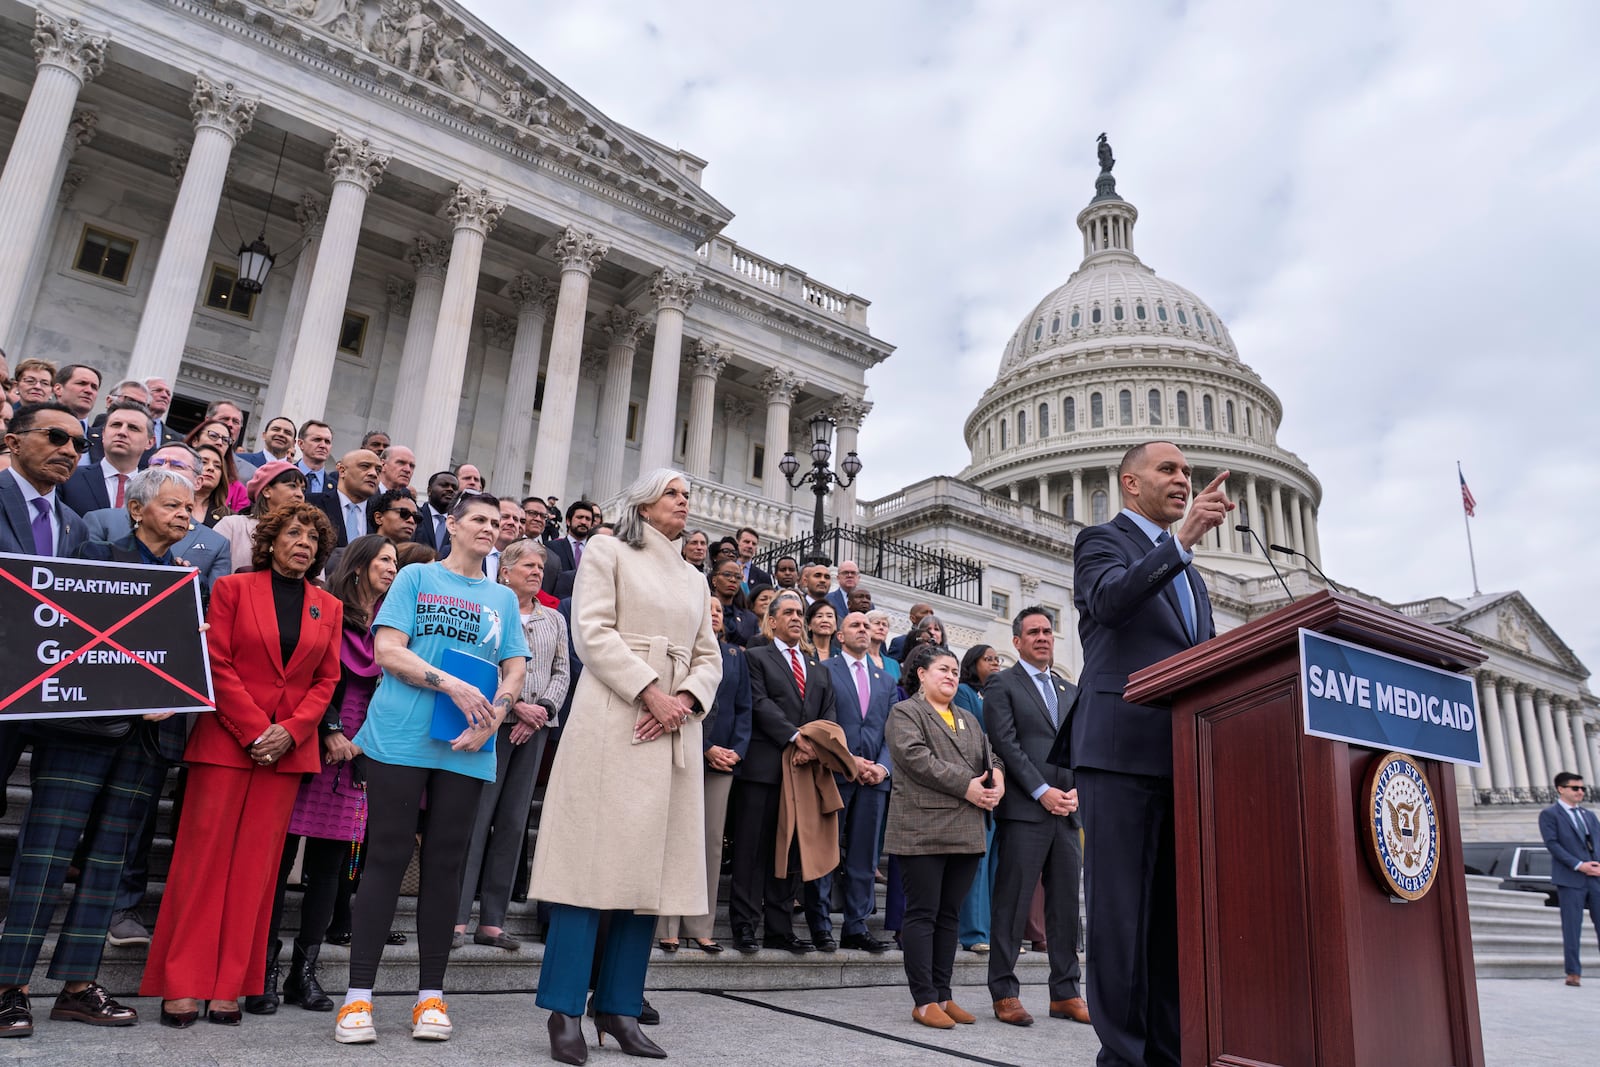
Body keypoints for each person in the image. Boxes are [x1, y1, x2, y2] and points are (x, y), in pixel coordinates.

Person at [528, 469, 721, 1064]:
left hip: (671, 732)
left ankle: (619, 1008)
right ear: (643, 502)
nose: (683, 502)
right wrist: (649, 692)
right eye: (672, 493)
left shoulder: (694, 576)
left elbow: (709, 654)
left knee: (648, 877)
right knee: (588, 869)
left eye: (688, 495)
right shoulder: (608, 550)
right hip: (615, 719)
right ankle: (564, 1011)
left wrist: (685, 699)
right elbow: (591, 632)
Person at [0, 467, 196, 1038]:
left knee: (108, 864)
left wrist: (173, 693)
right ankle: (9, 987)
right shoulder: (94, 555)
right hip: (81, 731)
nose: (186, 514)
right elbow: (62, 636)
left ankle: (78, 987)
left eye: (190, 508)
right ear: (137, 509)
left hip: (146, 742)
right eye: (173, 505)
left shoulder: (185, 577)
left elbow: (183, 657)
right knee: (44, 857)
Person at [334, 491, 528, 1045]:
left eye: (497, 522)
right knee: (387, 859)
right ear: (454, 524)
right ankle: (358, 999)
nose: (491, 528)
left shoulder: (502, 597)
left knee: (447, 866)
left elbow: (514, 667)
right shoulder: (416, 578)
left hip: (468, 742)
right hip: (401, 734)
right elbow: (389, 651)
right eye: (480, 520)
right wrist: (452, 683)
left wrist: (501, 710)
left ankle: (430, 998)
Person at [141, 502, 344, 1028]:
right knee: (202, 865)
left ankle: (230, 986)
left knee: (256, 873)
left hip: (286, 755)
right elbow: (217, 661)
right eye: (293, 533)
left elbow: (326, 679)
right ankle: (183, 984)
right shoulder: (232, 588)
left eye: (312, 538)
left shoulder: (328, 605)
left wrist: (292, 731)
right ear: (271, 540)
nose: (303, 543)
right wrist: (257, 730)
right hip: (227, 746)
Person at [1069, 440, 1227, 1067]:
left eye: (1188, 471)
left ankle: (1169, 1054)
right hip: (1119, 752)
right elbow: (1109, 602)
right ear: (1130, 485)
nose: (1183, 480)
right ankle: (1123, 1059)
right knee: (1121, 919)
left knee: (1171, 924)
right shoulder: (1101, 541)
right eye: (1169, 469)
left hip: (1182, 758)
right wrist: (1182, 540)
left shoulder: (1192, 577)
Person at [253, 535, 398, 1015]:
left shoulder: (392, 625)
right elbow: (315, 673)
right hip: (314, 740)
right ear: (358, 566)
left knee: (331, 868)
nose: (392, 569)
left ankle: (304, 973)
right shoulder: (326, 609)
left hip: (363, 753)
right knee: (280, 860)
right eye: (384, 560)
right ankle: (264, 971)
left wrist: (367, 747)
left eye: (396, 562)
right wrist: (331, 730)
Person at [455, 539, 570, 950]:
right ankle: (456, 919)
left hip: (534, 730)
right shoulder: (491, 608)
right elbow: (480, 663)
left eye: (541, 566)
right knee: (476, 818)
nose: (537, 572)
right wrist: (515, 707)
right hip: (491, 722)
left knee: (512, 823)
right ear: (505, 570)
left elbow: (562, 672)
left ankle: (493, 922)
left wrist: (540, 710)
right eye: (528, 565)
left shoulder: (555, 620)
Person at [884, 644, 1005, 1030]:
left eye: (955, 670)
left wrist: (998, 776)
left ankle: (943, 993)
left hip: (966, 828)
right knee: (922, 915)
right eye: (942, 669)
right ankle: (923, 1000)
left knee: (949, 916)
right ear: (921, 674)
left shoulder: (968, 717)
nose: (951, 675)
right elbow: (916, 759)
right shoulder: (905, 712)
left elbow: (991, 755)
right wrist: (967, 787)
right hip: (922, 828)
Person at [984, 608, 1085, 1026]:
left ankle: (1065, 992)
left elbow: (1082, 744)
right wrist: (1042, 792)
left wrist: (1078, 789)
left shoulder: (1070, 689)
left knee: (1064, 908)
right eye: (1034, 632)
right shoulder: (1002, 684)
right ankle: (1004, 992)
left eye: (1047, 631)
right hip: (1026, 811)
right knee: (1012, 904)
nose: (1043, 637)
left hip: (1067, 813)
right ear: (1018, 641)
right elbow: (1005, 745)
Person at [729, 589, 838, 956]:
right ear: (771, 620)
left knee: (790, 852)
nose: (795, 618)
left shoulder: (819, 670)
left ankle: (779, 929)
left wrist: (816, 746)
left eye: (799, 613)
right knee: (751, 850)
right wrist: (795, 737)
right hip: (763, 770)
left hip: (803, 773)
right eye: (788, 612)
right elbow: (757, 703)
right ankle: (744, 926)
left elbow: (828, 716)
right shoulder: (756, 657)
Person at [656, 597, 751, 954]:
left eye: (718, 610)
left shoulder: (735, 656)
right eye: (706, 607)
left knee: (711, 843)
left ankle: (702, 926)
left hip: (723, 762)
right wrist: (706, 746)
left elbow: (744, 708)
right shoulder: (681, 649)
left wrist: (736, 750)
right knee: (675, 835)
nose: (713, 613)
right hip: (684, 751)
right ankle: (667, 926)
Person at [814, 612, 896, 953]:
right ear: (840, 636)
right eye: (855, 626)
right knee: (826, 851)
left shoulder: (886, 680)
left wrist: (882, 767)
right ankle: (820, 926)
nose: (863, 630)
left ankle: (856, 926)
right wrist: (850, 761)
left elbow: (893, 732)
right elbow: (820, 721)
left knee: (864, 856)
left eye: (867, 625)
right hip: (835, 774)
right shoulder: (824, 671)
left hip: (873, 781)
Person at [1539, 771, 1600, 987]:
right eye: (1575, 788)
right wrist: (1579, 865)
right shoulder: (1550, 815)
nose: (1580, 792)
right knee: (1572, 927)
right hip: (1570, 878)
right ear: (1561, 789)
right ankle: (1573, 972)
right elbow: (1553, 844)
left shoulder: (1589, 815)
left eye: (1582, 788)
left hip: (1596, 878)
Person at [58, 399, 152, 515]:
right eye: (116, 425)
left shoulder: (154, 490)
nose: (122, 432)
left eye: (133, 428)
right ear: (103, 434)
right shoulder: (68, 478)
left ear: (150, 442)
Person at [212, 461, 308, 573]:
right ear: (267, 491)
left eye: (303, 489)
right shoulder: (232, 526)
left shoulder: (307, 535)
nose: (300, 494)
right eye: (292, 486)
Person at [310, 448, 382, 547]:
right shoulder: (312, 504)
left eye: (378, 470)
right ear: (342, 471)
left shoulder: (380, 517)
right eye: (365, 466)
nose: (374, 474)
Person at [185, 420, 249, 513]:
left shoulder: (238, 490)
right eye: (213, 436)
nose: (219, 442)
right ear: (195, 440)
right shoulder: (172, 470)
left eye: (225, 440)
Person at [710, 557, 759, 646]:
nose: (733, 580)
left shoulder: (750, 619)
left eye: (738, 577)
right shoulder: (703, 611)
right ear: (714, 580)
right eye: (727, 574)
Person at [414, 470, 459, 554]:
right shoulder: (415, 517)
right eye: (444, 485)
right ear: (429, 491)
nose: (450, 489)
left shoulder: (458, 525)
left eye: (454, 488)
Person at [295, 420, 336, 495]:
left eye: (327, 441)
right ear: (301, 444)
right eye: (317, 440)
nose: (323, 445)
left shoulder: (336, 487)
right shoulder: (283, 475)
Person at [865, 610, 902, 685]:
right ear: (865, 627)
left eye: (885, 625)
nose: (881, 628)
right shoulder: (858, 657)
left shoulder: (894, 664)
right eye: (877, 623)